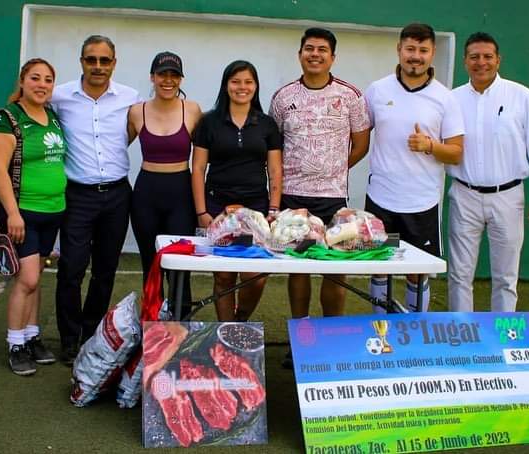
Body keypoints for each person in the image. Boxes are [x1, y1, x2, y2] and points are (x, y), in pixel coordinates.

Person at [269, 27, 370, 367]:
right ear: (300, 54)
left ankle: (332, 338)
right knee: (298, 270)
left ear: (333, 57)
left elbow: (361, 143)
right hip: (294, 198)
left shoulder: (351, 96)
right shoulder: (283, 98)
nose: (315, 54)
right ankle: (300, 339)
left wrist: (333, 170)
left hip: (332, 198)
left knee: (335, 270)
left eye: (322, 49)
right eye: (309, 48)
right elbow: (275, 147)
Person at [448, 32, 529, 312]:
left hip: (508, 197)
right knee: (459, 275)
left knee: (506, 277)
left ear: (498, 60)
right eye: (474, 57)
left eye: (488, 57)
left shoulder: (521, 96)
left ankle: (503, 340)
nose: (481, 63)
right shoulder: (452, 99)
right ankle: (462, 339)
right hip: (464, 195)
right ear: (465, 62)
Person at [50, 35, 141, 365]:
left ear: (114, 63)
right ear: (82, 62)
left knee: (105, 270)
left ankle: (92, 334)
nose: (98, 67)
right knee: (71, 268)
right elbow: (26, 105)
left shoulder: (130, 97)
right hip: (77, 196)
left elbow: (131, 132)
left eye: (105, 60)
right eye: (92, 60)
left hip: (117, 195)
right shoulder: (60, 96)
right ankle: (69, 338)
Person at [363, 23, 464, 313]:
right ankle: (379, 330)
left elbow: (456, 153)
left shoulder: (445, 98)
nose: (415, 56)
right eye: (410, 49)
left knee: (416, 271)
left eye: (423, 50)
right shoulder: (377, 91)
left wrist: (429, 145)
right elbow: (357, 135)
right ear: (399, 50)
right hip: (381, 202)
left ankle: (413, 333)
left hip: (421, 205)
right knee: (380, 267)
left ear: (432, 53)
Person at [0, 58, 66, 376]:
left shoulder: (53, 116)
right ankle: (15, 344)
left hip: (53, 211)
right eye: (35, 78)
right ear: (22, 81)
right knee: (28, 279)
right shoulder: (7, 119)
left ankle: (32, 336)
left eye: (48, 79)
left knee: (36, 279)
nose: (42, 84)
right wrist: (13, 214)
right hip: (25, 213)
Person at [193, 60, 283, 321]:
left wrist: (273, 209)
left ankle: (240, 319)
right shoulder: (209, 122)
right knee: (223, 275)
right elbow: (198, 169)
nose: (242, 87)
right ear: (225, 85)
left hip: (257, 210)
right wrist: (201, 212)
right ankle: (226, 331)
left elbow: (275, 171)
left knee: (255, 277)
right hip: (216, 207)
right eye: (235, 81)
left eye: (248, 82)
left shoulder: (267, 125)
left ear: (255, 86)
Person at [128, 51, 202, 285]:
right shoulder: (136, 111)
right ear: (152, 77)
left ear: (181, 79)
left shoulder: (191, 110)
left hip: (181, 194)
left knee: (180, 267)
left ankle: (180, 321)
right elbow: (113, 147)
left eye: (174, 75)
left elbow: (205, 156)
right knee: (150, 266)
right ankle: (151, 320)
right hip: (145, 194)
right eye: (162, 74)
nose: (168, 80)